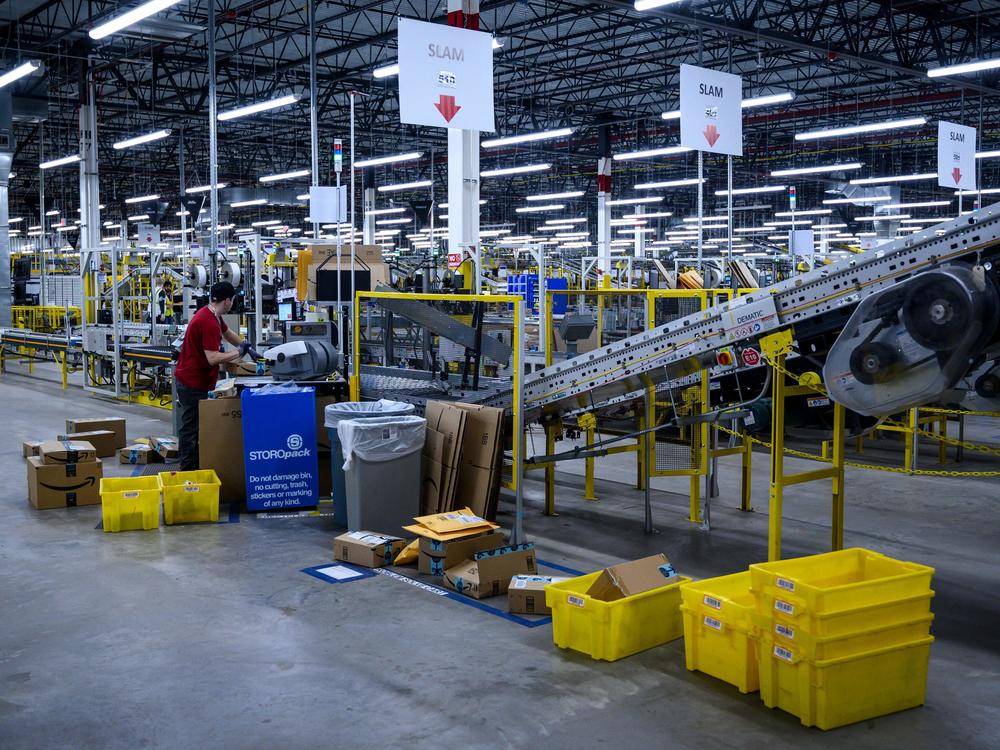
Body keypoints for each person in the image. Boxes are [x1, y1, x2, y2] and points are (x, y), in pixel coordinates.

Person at [174, 282, 253, 470]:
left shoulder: (213, 315)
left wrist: (247, 345)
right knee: (190, 429)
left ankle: (195, 464)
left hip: (198, 380)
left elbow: (227, 333)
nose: (232, 304)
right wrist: (239, 352)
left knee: (196, 427)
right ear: (227, 301)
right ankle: (187, 469)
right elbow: (212, 358)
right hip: (192, 382)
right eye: (232, 300)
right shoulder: (207, 321)